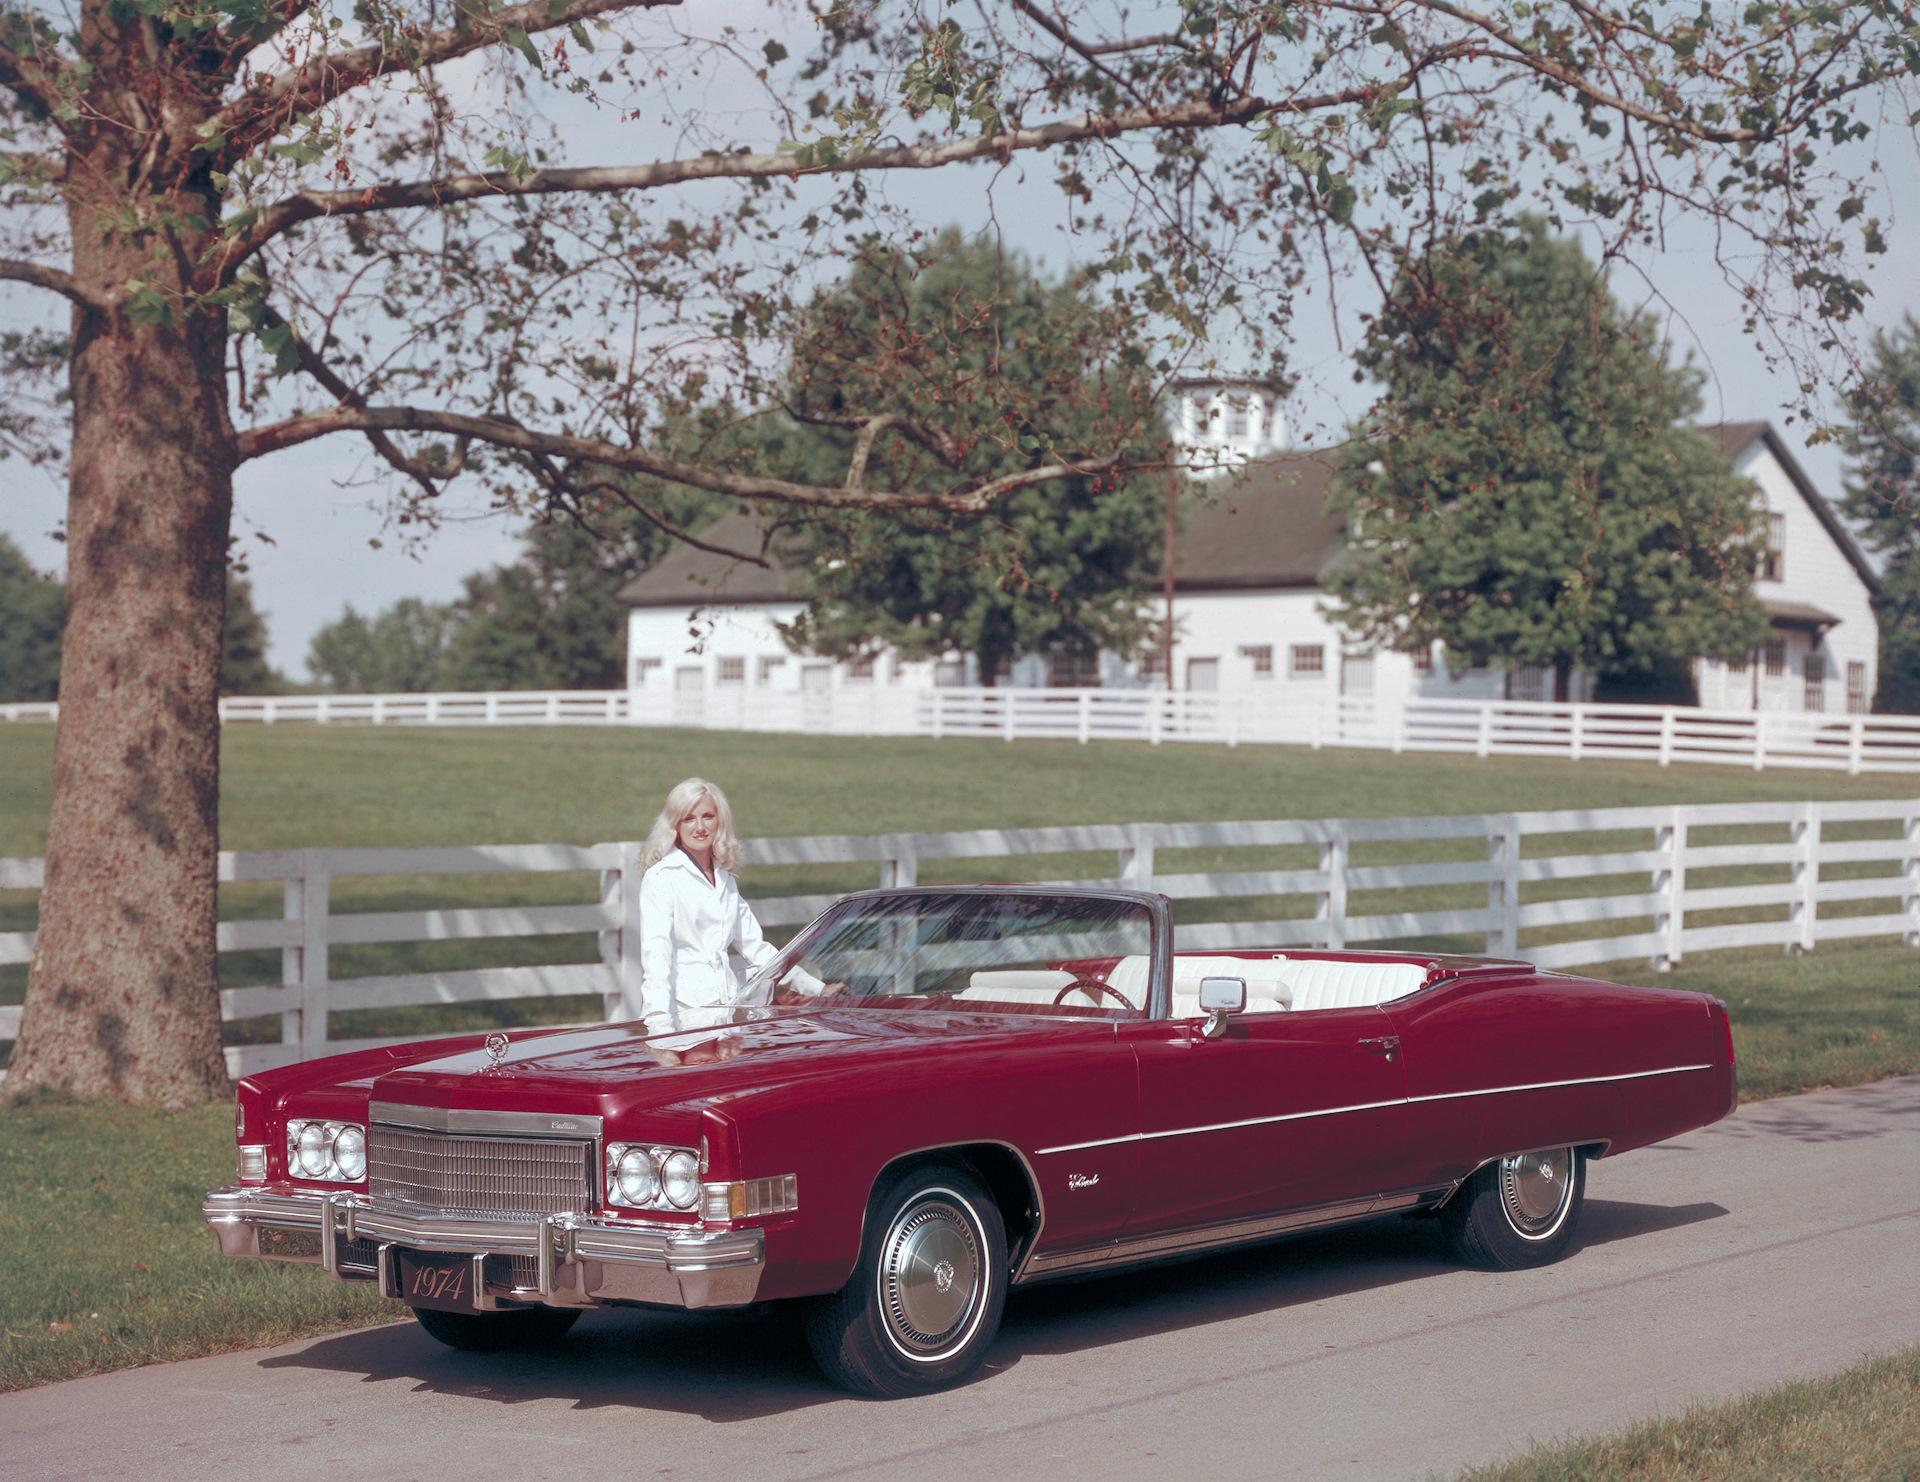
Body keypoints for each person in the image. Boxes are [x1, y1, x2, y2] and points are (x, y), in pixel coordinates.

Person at [636, 777, 779, 1035]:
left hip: (726, 1011)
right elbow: (656, 954)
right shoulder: (661, 876)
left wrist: (815, 988)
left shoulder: (724, 877)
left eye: (708, 816)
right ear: (674, 825)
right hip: (680, 1015)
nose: (700, 827)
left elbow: (757, 948)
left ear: (719, 821)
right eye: (689, 818)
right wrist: (658, 1021)